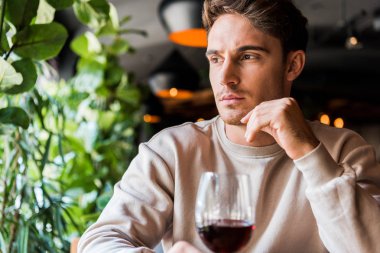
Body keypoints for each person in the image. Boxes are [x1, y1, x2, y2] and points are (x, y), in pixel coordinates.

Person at [78, 0, 380, 252]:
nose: (225, 77)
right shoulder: (171, 151)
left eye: (247, 56)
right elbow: (100, 242)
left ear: (292, 65)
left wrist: (308, 152)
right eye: (216, 58)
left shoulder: (344, 151)